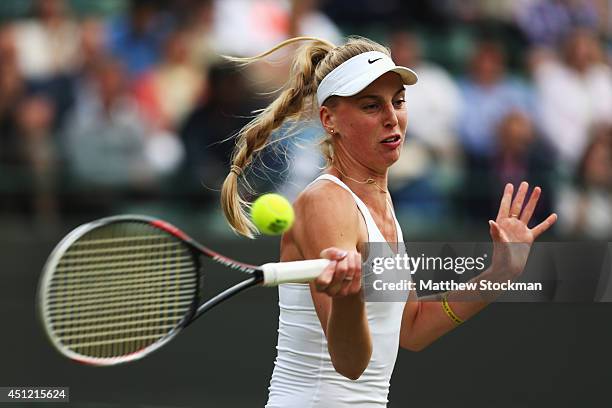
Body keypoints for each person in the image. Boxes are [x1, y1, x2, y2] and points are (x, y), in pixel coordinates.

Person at [219, 36, 558, 407]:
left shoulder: (380, 199)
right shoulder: (326, 202)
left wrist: (498, 276)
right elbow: (350, 365)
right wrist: (348, 301)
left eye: (398, 102)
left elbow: (411, 327)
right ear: (329, 120)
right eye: (370, 106)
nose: (391, 117)